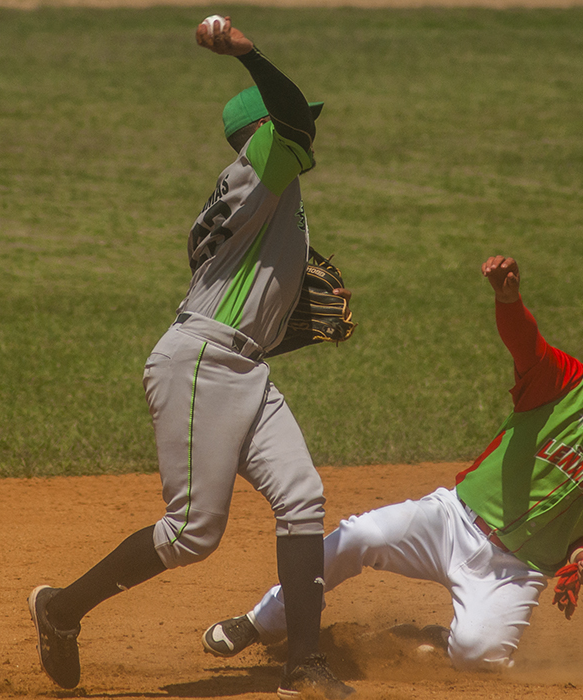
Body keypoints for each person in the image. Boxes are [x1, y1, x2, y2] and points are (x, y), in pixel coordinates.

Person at [28, 16, 354, 700]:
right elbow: (293, 116)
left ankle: (302, 663)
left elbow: (244, 303)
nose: (305, 132)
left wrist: (284, 330)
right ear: (259, 132)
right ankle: (60, 611)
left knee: (303, 497)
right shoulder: (266, 169)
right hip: (203, 364)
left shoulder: (266, 195)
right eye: (288, 126)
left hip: (240, 362)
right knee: (191, 534)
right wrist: (249, 54)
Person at [199, 254, 583, 671]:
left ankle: (436, 640)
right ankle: (259, 621)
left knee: (480, 656)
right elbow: (525, 344)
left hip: (517, 571)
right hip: (452, 521)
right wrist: (508, 301)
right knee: (358, 538)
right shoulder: (568, 387)